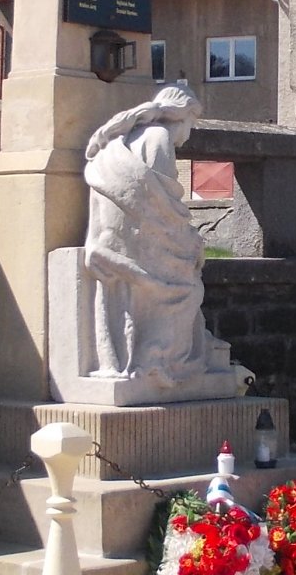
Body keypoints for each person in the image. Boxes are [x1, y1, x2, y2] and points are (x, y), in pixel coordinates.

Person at [82, 81, 222, 386]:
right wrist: (192, 241)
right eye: (191, 123)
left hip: (115, 242)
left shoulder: (125, 139)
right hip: (136, 244)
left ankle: (157, 356)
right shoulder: (159, 138)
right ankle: (156, 358)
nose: (190, 133)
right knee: (187, 290)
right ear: (181, 116)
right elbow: (161, 208)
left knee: (183, 277)